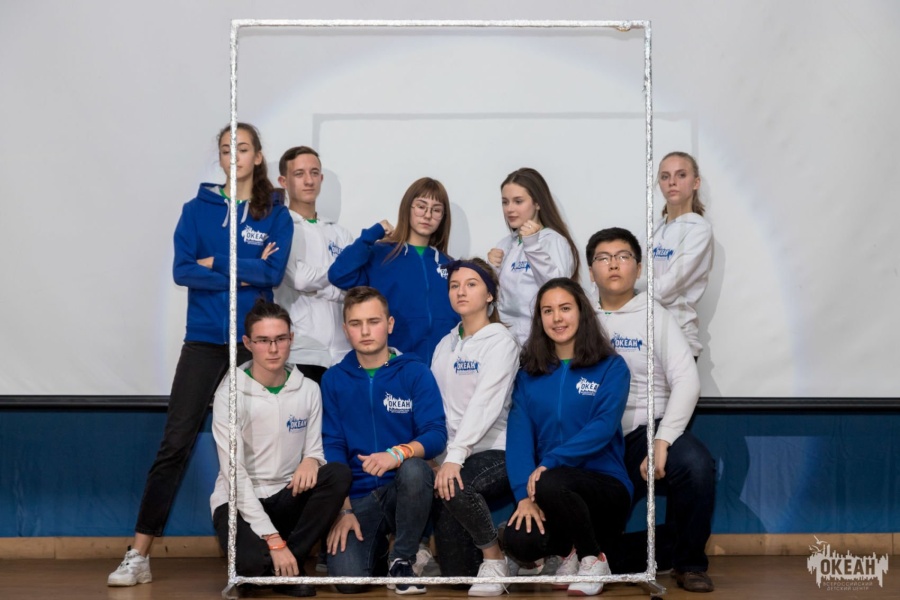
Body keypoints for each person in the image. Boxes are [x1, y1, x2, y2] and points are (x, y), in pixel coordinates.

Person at [108, 123, 293, 587]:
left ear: (258, 156)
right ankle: (138, 554)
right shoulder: (195, 211)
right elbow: (182, 271)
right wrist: (244, 269)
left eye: (243, 148)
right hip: (206, 340)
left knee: (266, 441)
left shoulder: (276, 213)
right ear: (220, 157)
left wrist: (216, 262)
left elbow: (272, 273)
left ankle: (277, 548)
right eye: (227, 149)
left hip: (254, 342)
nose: (234, 156)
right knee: (175, 443)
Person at [587, 227, 715, 593]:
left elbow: (687, 381)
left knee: (695, 465)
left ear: (639, 268)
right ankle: (660, 548)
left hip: (647, 430)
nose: (614, 264)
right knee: (592, 549)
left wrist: (662, 439)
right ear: (591, 271)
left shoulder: (656, 316)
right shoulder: (578, 316)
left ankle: (689, 563)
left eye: (623, 256)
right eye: (603, 258)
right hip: (597, 440)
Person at [209, 300, 352, 598]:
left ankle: (289, 562)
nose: (273, 349)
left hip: (286, 494)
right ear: (248, 343)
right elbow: (235, 476)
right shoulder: (229, 394)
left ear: (291, 339)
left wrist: (311, 460)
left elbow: (315, 450)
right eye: (263, 340)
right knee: (249, 567)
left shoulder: (309, 389)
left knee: (337, 474)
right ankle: (277, 564)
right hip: (238, 500)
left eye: (280, 339)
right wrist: (272, 538)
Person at [502, 278, 632, 597]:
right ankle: (568, 553)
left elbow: (603, 427)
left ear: (581, 312)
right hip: (549, 491)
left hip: (604, 487)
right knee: (519, 541)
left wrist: (550, 462)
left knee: (552, 481)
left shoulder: (611, 367)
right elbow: (518, 439)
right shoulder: (528, 375)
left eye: (565, 308)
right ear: (540, 319)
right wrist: (523, 497)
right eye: (548, 311)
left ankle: (592, 558)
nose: (557, 318)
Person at [321, 286, 447, 595]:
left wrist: (397, 454)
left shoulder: (415, 372)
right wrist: (343, 510)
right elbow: (332, 447)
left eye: (373, 321)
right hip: (359, 497)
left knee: (414, 468)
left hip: (406, 490)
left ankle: (403, 558)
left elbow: (435, 434)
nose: (365, 331)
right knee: (348, 582)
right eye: (356, 323)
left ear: (389, 324)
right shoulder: (333, 379)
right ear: (345, 329)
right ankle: (382, 552)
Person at [430, 258, 519, 596]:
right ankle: (501, 545)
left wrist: (455, 456)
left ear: (490, 295)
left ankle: (496, 557)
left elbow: (485, 405)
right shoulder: (445, 344)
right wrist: (437, 456)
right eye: (454, 285)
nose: (461, 291)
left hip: (496, 450)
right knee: (458, 576)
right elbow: (435, 406)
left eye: (471, 284)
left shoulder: (501, 342)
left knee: (457, 486)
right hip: (452, 455)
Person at [328, 177, 457, 365]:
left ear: (443, 217)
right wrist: (373, 233)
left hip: (442, 367)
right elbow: (339, 275)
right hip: (394, 366)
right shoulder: (381, 254)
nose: (427, 215)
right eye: (421, 206)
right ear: (407, 208)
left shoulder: (450, 265)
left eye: (436, 210)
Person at [274, 145, 354, 383]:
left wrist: (318, 287)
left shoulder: (340, 234)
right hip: (301, 352)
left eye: (314, 173)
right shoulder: (280, 228)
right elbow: (299, 279)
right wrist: (337, 285)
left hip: (343, 353)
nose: (309, 181)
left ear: (321, 178)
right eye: (299, 174)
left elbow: (355, 286)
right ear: (283, 181)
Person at [487, 168, 580, 345]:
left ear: (537, 203)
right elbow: (494, 301)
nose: (510, 209)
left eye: (518, 201)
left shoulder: (553, 241)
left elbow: (558, 290)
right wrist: (490, 270)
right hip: (506, 342)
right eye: (505, 202)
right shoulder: (505, 244)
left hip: (542, 342)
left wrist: (533, 247)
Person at [652, 152, 714, 358]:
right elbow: (632, 274)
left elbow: (665, 290)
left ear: (696, 183)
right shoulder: (653, 229)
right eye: (665, 176)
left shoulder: (699, 230)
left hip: (679, 341)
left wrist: (623, 290)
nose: (672, 182)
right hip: (647, 337)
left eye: (681, 175)